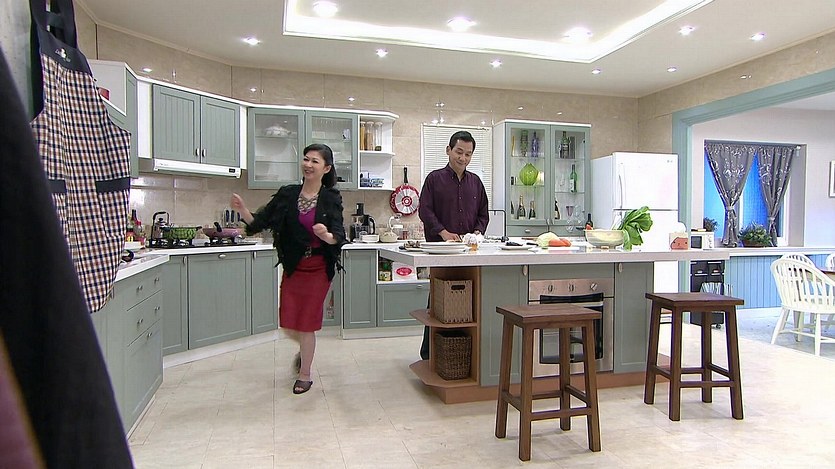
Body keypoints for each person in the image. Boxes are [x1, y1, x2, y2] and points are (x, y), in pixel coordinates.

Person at [231, 143, 346, 394]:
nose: (308, 164)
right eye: (306, 159)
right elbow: (260, 223)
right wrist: (243, 210)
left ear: (326, 168)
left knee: (306, 324)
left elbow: (338, 235)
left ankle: (304, 375)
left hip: (318, 268)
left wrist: (326, 235)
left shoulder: (330, 198)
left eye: (315, 161)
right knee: (289, 323)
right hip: (295, 267)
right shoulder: (288, 194)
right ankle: (304, 349)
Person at [418, 130, 489, 359]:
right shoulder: (434, 179)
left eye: (468, 154)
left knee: (467, 301)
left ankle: (461, 354)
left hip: (469, 253)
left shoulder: (476, 182)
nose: (463, 158)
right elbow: (425, 210)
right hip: (441, 252)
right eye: (459, 152)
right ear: (448, 150)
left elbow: (483, 214)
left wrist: (476, 233)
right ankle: (430, 353)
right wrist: (444, 232)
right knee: (439, 299)